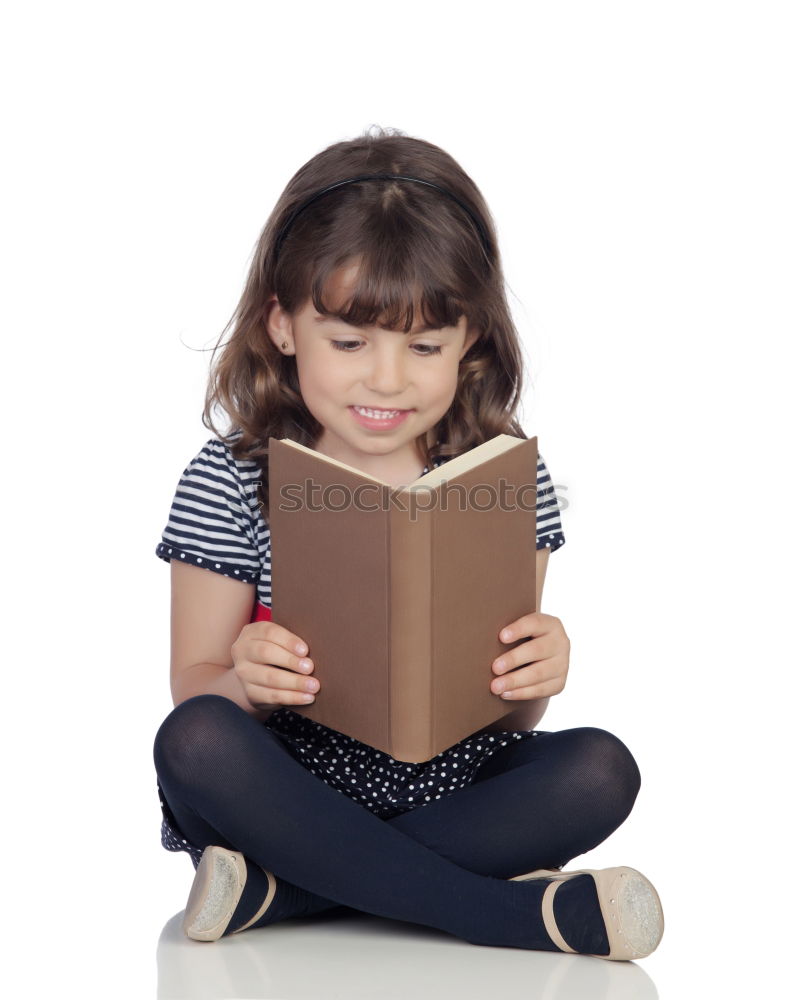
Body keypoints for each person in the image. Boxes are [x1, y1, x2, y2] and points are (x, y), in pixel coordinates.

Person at [152, 126, 664, 960]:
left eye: (423, 346)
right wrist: (246, 678)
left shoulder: (501, 478)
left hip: (455, 783)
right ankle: (504, 915)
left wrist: (537, 671)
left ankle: (283, 895)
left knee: (602, 768)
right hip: (288, 787)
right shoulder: (232, 477)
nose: (386, 380)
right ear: (282, 325)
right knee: (196, 741)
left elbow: (512, 709)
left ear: (470, 346)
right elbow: (194, 688)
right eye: (348, 341)